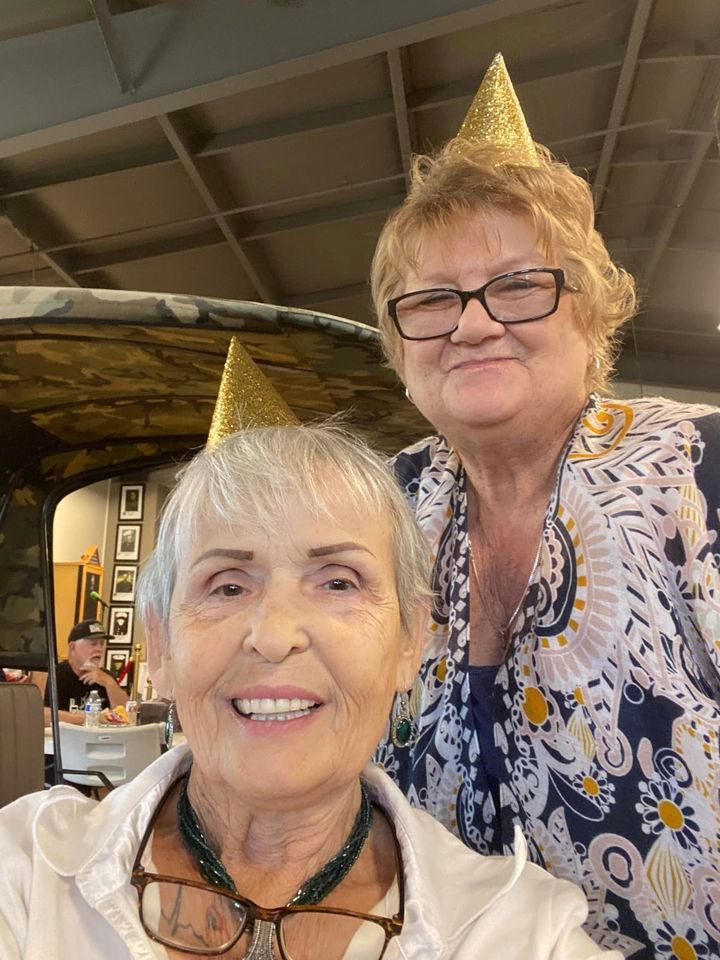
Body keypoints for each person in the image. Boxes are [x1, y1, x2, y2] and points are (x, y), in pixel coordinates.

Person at [0, 424, 619, 959]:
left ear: (410, 641)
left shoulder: (516, 931)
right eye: (227, 586)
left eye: (339, 583)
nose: (274, 636)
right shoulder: (28, 874)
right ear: (159, 643)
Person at [369, 54, 720, 959]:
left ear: (591, 310)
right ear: (400, 344)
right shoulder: (380, 508)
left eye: (519, 285)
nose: (472, 324)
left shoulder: (700, 473)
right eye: (433, 299)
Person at [34, 618, 127, 725]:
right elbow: (41, 715)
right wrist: (94, 718)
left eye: (102, 644)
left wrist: (110, 684)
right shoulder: (55, 675)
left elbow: (125, 716)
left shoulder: (106, 677)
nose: (99, 649)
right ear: (73, 647)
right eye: (93, 644)